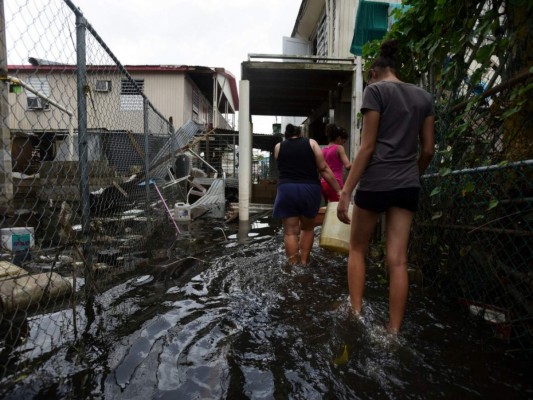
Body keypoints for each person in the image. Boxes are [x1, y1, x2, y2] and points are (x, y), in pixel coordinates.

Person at [336, 39, 435, 334]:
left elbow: (366, 148)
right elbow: (428, 150)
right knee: (398, 260)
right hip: (407, 185)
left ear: (374, 71)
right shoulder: (424, 97)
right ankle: (393, 332)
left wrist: (345, 192)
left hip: (376, 181)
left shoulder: (375, 91)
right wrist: (411, 175)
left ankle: (355, 313)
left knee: (356, 249)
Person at [273, 124, 341, 265]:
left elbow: (281, 165)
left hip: (286, 190)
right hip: (309, 189)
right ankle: (304, 262)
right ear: (301, 134)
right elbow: (323, 168)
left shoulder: (279, 146)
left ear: (286, 135)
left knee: (290, 232)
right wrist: (338, 189)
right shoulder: (311, 143)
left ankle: (293, 265)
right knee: (308, 228)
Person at [320, 124, 351, 203]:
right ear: (339, 138)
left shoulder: (323, 150)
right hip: (335, 183)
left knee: (328, 209)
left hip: (323, 183)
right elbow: (347, 166)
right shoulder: (339, 148)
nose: (343, 144)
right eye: (343, 142)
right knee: (337, 210)